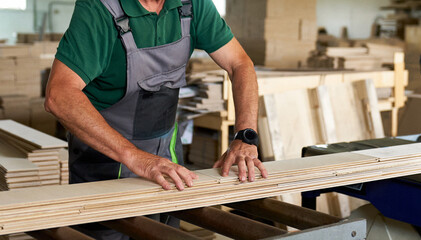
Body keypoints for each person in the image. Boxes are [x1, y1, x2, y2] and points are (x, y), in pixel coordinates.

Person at [45, 0, 268, 238]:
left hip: (166, 161)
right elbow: (59, 95)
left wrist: (245, 135)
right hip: (103, 163)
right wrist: (135, 157)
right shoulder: (99, 9)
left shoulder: (192, 5)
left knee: (163, 233)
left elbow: (240, 63)